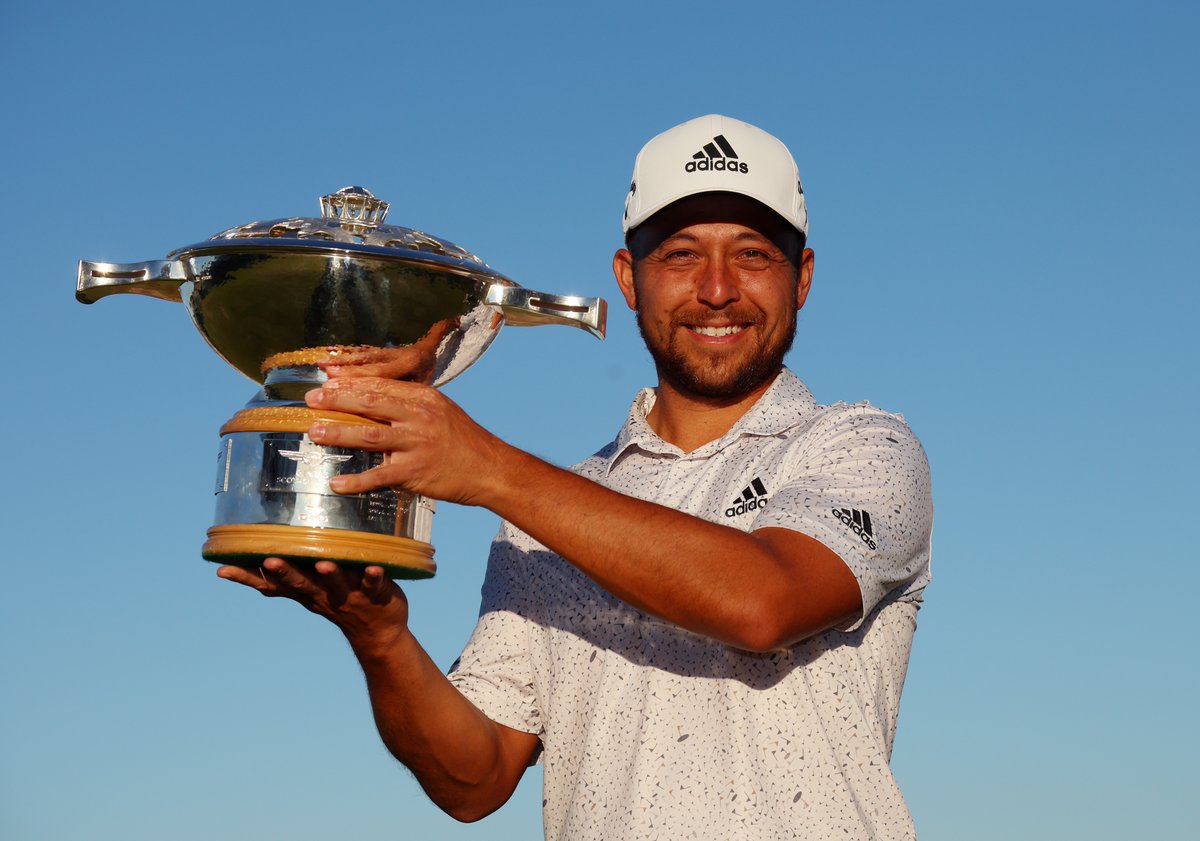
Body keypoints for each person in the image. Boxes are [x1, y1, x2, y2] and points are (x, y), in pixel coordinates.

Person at [219, 114, 933, 841]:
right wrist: (378, 634)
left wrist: (488, 467)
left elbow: (764, 602)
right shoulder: (548, 510)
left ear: (802, 277)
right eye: (681, 255)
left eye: (752, 254)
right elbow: (477, 775)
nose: (718, 289)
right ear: (629, 278)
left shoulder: (863, 446)